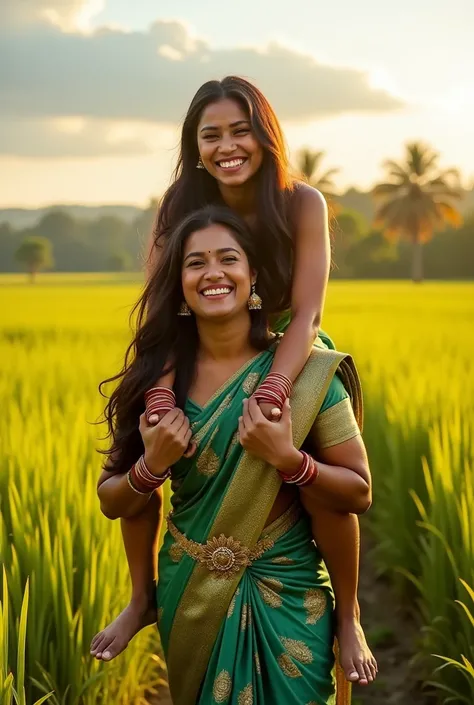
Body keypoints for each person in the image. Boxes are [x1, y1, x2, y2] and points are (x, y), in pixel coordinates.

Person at [91, 76, 376, 685]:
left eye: (240, 130)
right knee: (147, 440)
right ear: (194, 146)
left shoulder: (302, 201)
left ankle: (348, 617)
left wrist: (275, 392)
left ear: (265, 135)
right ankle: (142, 598)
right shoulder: (178, 205)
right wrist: (163, 392)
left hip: (285, 353)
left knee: (310, 476)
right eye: (210, 134)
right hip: (190, 349)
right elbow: (166, 308)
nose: (227, 146)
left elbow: (307, 313)